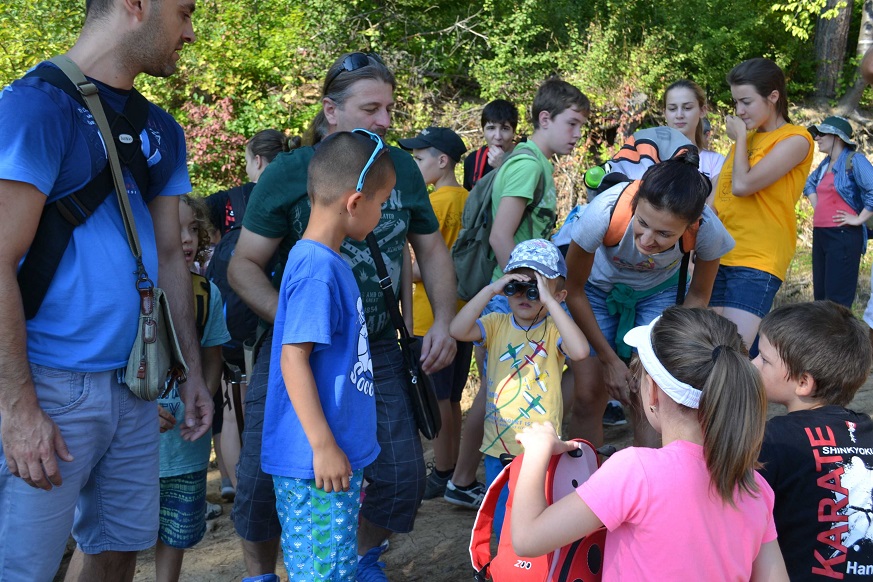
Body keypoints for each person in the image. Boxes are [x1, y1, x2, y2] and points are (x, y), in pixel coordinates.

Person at [0, 1, 213, 580]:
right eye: (183, 13)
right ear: (136, 5)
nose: (191, 33)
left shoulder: (161, 129)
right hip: (47, 383)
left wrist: (190, 371)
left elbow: (170, 258)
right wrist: (18, 408)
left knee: (118, 552)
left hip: (136, 384)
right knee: (23, 569)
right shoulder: (35, 108)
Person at [228, 52, 457, 582]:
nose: (385, 120)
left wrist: (443, 319)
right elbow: (243, 266)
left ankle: (354, 559)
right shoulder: (290, 172)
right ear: (331, 110)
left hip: (377, 347)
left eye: (390, 108)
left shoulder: (400, 168)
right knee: (263, 479)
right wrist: (301, 326)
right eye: (371, 108)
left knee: (401, 475)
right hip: (299, 352)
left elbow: (431, 249)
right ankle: (261, 574)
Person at [512, 307, 788, 581]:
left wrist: (537, 451)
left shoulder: (635, 472)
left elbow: (527, 539)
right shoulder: (755, 488)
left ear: (653, 391)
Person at [445, 78, 590, 510]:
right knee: (498, 390)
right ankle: (468, 478)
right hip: (508, 298)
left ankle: (468, 478)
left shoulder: (533, 163)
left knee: (501, 388)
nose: (577, 134)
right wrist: (523, 286)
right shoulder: (528, 166)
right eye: (572, 123)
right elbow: (500, 235)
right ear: (545, 118)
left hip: (520, 296)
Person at [263, 130, 393, 580]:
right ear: (355, 202)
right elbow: (293, 358)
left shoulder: (327, 262)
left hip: (331, 459)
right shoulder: (317, 269)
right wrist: (323, 446)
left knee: (334, 568)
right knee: (323, 574)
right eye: (383, 202)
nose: (383, 212)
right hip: (314, 464)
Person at [565, 150, 734, 448]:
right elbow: (573, 289)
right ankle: (587, 473)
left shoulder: (708, 230)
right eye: (642, 223)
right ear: (634, 203)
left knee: (648, 397)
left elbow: (698, 296)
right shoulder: (604, 211)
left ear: (691, 224)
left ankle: (649, 472)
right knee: (589, 393)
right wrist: (609, 360)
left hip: (658, 292)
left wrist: (653, 358)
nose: (646, 240)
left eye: (664, 234)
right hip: (594, 291)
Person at [450, 239, 589, 537]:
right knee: (504, 522)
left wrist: (550, 301)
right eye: (517, 286)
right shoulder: (496, 323)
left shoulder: (554, 331)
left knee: (537, 518)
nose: (525, 295)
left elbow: (579, 352)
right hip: (498, 447)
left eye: (535, 289)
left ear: (558, 295)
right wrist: (491, 290)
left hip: (541, 448)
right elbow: (457, 329)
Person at [754, 301, 873, 580]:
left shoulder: (775, 439)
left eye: (764, 360)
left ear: (803, 382)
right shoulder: (868, 430)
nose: (753, 364)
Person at [710, 57, 814, 350]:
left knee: (732, 352)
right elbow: (718, 197)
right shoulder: (744, 140)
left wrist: (741, 139)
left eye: (746, 102)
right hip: (720, 254)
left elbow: (743, 186)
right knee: (709, 349)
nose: (739, 111)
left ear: (773, 96)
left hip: (757, 259)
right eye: (735, 103)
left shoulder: (796, 139)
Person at [155, 195, 230, 582]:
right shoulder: (127, 293)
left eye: (193, 229)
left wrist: (200, 402)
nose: (186, 238)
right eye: (174, 228)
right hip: (136, 448)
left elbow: (213, 357)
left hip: (186, 450)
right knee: (113, 539)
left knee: (175, 536)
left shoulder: (206, 293)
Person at [398, 126, 473, 499]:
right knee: (452, 397)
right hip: (461, 314)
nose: (415, 165)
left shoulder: (437, 203)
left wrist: (400, 271)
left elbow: (425, 266)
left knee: (436, 398)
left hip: (430, 317)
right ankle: (452, 464)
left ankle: (442, 470)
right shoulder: (468, 199)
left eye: (419, 158)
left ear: (442, 161)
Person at [803, 116, 873, 308]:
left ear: (837, 137)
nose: (817, 138)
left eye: (822, 134)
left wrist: (859, 219)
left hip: (843, 235)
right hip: (821, 234)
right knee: (821, 299)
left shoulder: (855, 160)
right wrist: (819, 207)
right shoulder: (825, 165)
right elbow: (809, 184)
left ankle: (841, 330)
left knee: (836, 302)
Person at [204, 129, 294, 237]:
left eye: (247, 161)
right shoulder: (299, 196)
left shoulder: (227, 200)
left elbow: (194, 209)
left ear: (257, 161)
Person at [663, 79, 725, 186]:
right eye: (672, 109)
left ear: (702, 111)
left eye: (687, 108)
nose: (679, 115)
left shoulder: (715, 162)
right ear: (665, 113)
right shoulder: (650, 158)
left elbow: (716, 196)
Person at [463, 99, 520, 191]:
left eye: (505, 128)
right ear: (483, 130)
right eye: (491, 128)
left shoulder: (525, 160)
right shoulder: (473, 161)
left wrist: (501, 167)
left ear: (513, 131)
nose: (497, 136)